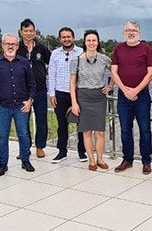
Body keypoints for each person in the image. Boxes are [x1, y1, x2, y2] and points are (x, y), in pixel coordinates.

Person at [0, 33, 36, 177]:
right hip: (2, 106)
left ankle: (25, 161)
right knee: (3, 136)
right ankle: (3, 164)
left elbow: (31, 84)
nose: (10, 46)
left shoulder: (24, 62)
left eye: (13, 44)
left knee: (24, 134)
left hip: (21, 106)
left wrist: (30, 100)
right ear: (2, 45)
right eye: (7, 44)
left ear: (18, 46)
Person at [111, 20, 152, 175]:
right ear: (123, 33)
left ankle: (146, 161)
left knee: (145, 130)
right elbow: (114, 72)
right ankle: (127, 160)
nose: (131, 33)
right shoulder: (118, 48)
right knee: (125, 130)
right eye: (128, 30)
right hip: (123, 97)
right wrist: (125, 90)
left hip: (142, 96)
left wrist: (135, 90)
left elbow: (151, 73)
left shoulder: (146, 49)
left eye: (134, 30)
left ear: (139, 33)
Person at [70, 30, 114, 171]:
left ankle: (100, 159)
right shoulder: (76, 60)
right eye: (88, 40)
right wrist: (74, 103)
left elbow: (116, 72)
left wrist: (110, 86)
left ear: (98, 42)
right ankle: (91, 160)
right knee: (87, 131)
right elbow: (72, 83)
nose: (91, 43)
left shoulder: (104, 59)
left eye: (94, 40)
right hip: (83, 96)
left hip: (99, 97)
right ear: (84, 42)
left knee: (100, 131)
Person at [47, 27, 87, 164]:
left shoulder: (82, 52)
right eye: (63, 37)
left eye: (68, 36)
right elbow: (51, 74)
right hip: (60, 93)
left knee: (81, 124)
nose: (66, 39)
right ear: (60, 39)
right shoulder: (55, 54)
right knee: (61, 125)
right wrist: (51, 94)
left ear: (73, 37)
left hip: (78, 93)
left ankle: (82, 151)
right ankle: (62, 152)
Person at [17, 18, 51, 158]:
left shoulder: (41, 49)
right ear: (21, 32)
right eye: (26, 31)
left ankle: (40, 147)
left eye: (31, 31)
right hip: (22, 90)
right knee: (23, 121)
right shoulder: (17, 48)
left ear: (35, 32)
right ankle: (24, 148)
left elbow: (51, 64)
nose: (28, 33)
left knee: (41, 119)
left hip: (40, 89)